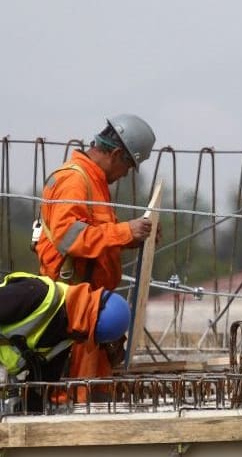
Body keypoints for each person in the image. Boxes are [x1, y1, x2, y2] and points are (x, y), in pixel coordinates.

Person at [34, 114, 156, 381]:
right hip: (73, 310)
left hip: (90, 309)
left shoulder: (95, 182)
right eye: (129, 166)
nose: (126, 174)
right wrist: (125, 231)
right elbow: (70, 238)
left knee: (91, 394)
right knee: (74, 395)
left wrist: (132, 239)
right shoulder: (74, 180)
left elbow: (96, 240)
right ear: (115, 154)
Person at [0, 272, 130, 402]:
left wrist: (31, 419)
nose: (81, 340)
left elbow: (41, 386)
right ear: (86, 321)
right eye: (86, 335)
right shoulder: (37, 294)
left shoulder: (65, 339)